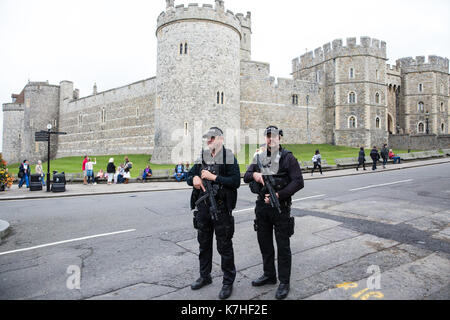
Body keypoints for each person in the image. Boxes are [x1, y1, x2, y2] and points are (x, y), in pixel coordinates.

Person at [244, 125, 304, 300]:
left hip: (280, 207)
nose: (271, 139)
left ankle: (284, 282)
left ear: (280, 138)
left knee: (283, 246)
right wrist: (256, 176)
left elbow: (298, 182)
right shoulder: (259, 157)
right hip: (262, 209)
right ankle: (269, 275)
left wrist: (279, 194)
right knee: (265, 244)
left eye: (275, 136)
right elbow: (247, 175)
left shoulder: (288, 158)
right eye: (268, 136)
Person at [187, 127, 241, 300]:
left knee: (224, 245)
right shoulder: (202, 156)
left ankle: (228, 282)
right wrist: (194, 179)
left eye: (212, 138)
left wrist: (214, 177)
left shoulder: (229, 157)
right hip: (203, 207)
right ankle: (205, 276)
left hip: (221, 208)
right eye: (207, 139)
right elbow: (189, 176)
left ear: (221, 139)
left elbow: (235, 181)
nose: (209, 141)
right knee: (203, 244)